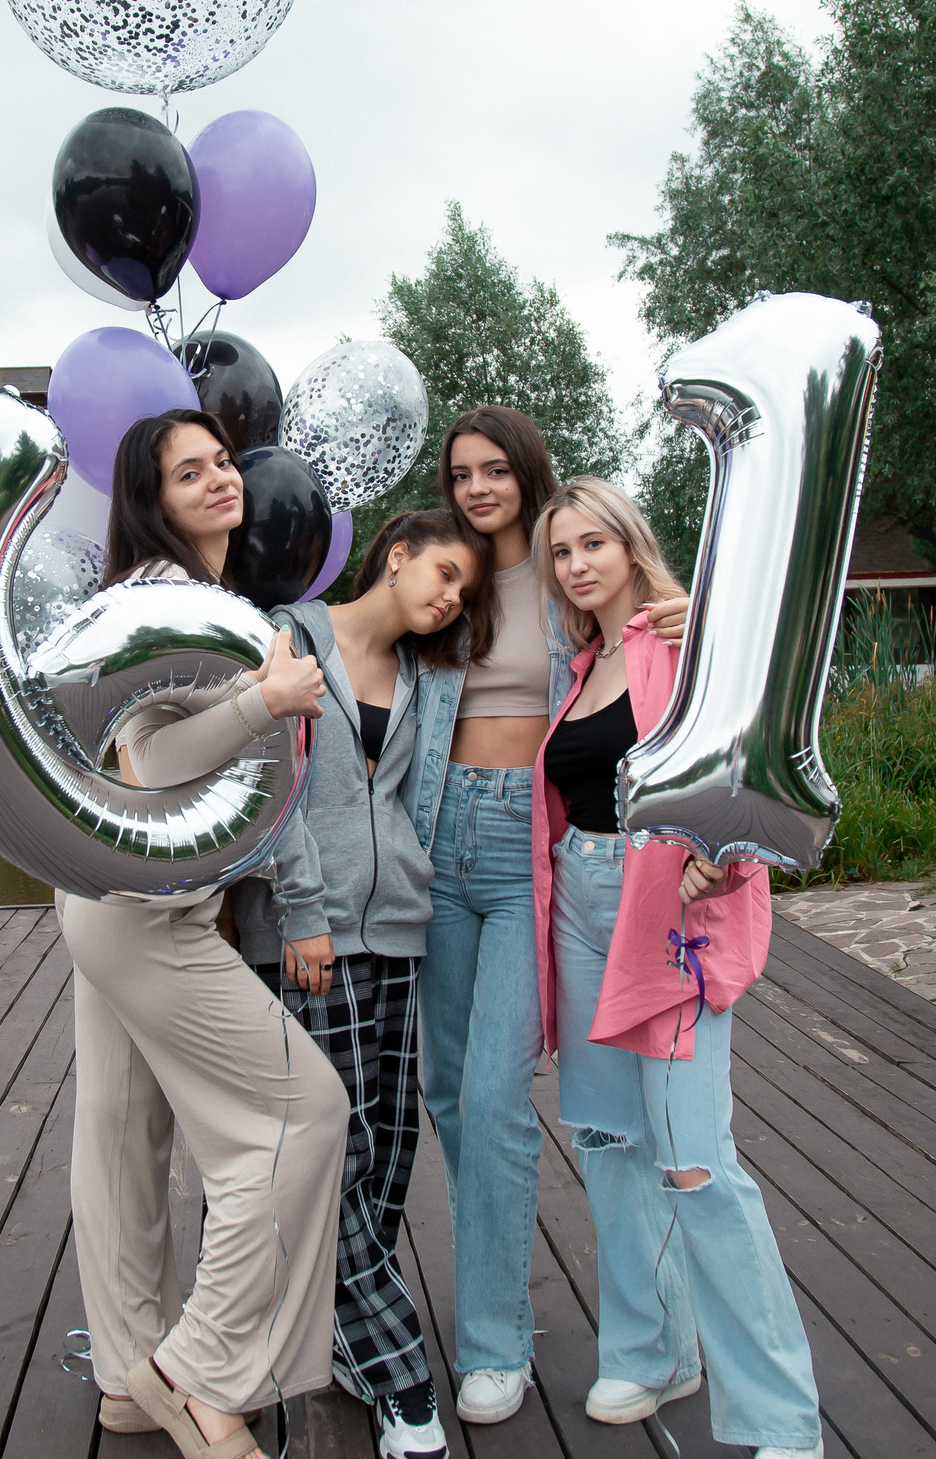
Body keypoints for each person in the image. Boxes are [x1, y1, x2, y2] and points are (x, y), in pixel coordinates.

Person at [66, 409, 348, 1459]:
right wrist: (259, 705)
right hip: (143, 912)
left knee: (121, 1141)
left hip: (114, 899)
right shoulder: (155, 606)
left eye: (223, 462)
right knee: (301, 1115)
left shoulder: (195, 602)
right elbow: (136, 770)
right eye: (190, 473)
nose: (221, 480)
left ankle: (126, 1380)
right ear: (154, 498)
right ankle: (198, 1372)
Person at [531, 477, 822, 1459]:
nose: (576, 564)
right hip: (581, 904)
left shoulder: (683, 641)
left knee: (697, 1162)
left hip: (669, 909)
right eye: (561, 552)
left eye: (591, 543)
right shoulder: (579, 665)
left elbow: (759, 757)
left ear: (627, 544)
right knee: (611, 1142)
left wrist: (731, 853)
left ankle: (779, 1414)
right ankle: (651, 1350)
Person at [414, 406, 685, 1425]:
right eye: (460, 473)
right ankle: (491, 1299)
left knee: (492, 1094)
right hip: (434, 839)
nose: (478, 487)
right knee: (446, 1091)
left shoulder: (565, 572)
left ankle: (492, 1346)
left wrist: (691, 610)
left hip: (526, 844)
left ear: (528, 473)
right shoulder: (445, 573)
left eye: (494, 470)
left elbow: (653, 633)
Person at [226, 507, 491, 1459]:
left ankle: (340, 1332)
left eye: (464, 588)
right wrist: (302, 911)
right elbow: (267, 780)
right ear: (397, 553)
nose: (451, 596)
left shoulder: (429, 674)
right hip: (310, 934)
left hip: (397, 932)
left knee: (387, 1148)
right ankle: (402, 1371)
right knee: (328, 1152)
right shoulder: (292, 636)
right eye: (444, 573)